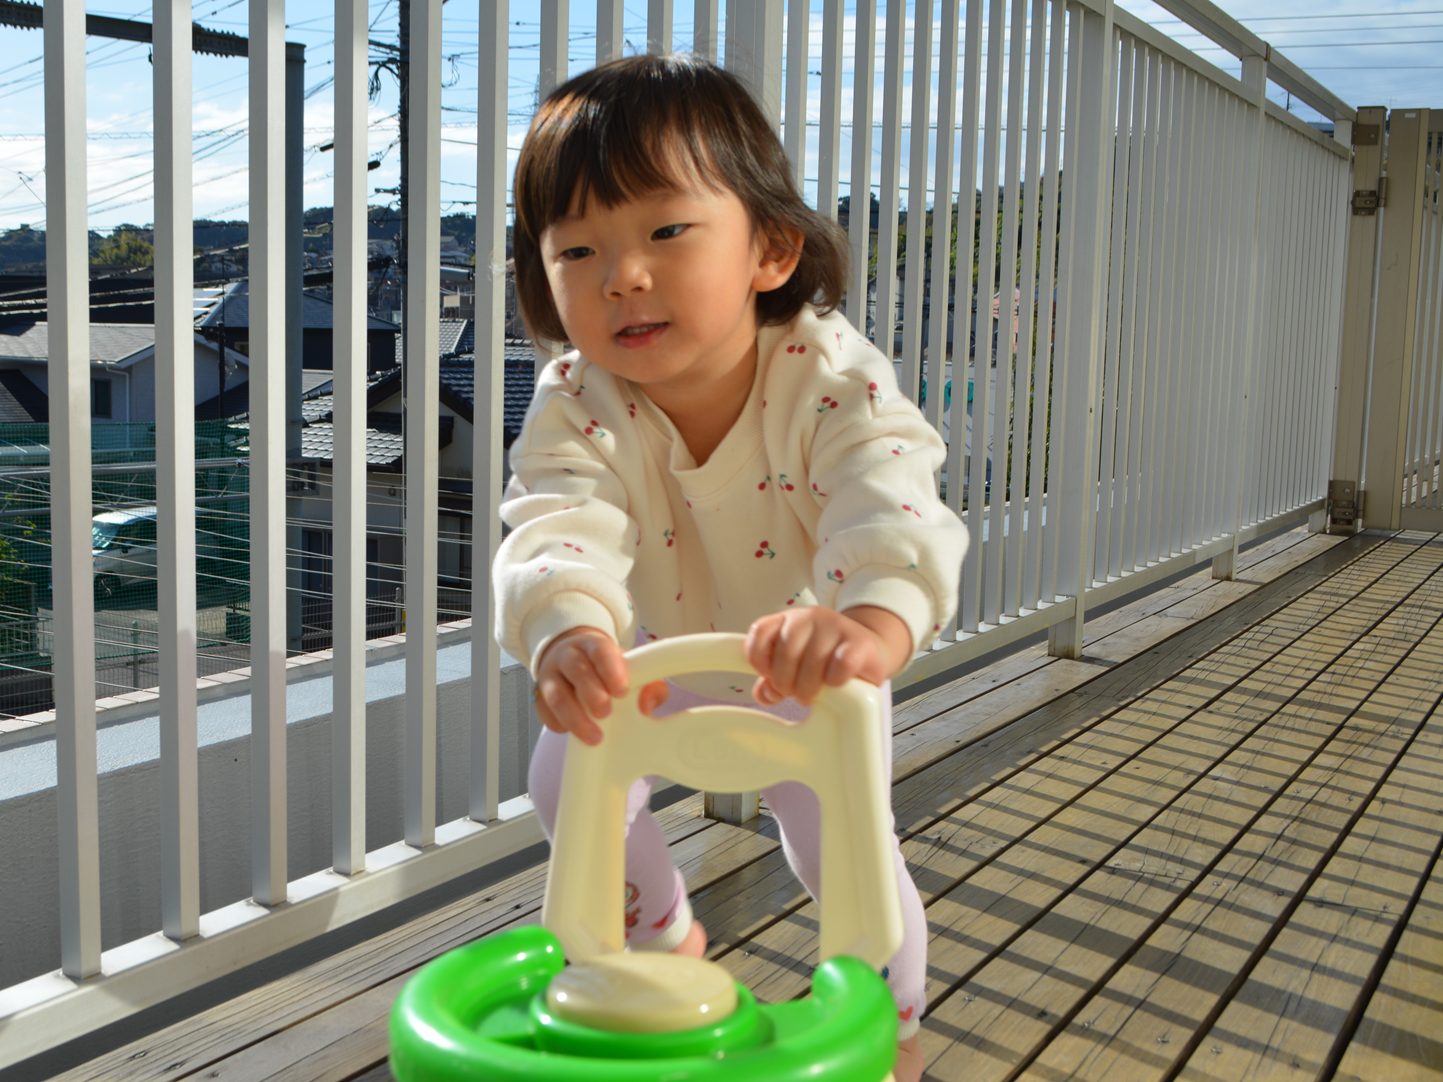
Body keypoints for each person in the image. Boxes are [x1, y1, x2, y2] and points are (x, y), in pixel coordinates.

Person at [494, 53, 967, 1080]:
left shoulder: (827, 376)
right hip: (662, 651)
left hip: (811, 658)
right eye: (578, 249)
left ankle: (891, 1031)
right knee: (565, 779)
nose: (623, 275)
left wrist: (867, 624)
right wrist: (566, 625)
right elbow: (557, 520)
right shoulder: (577, 399)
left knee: (842, 850)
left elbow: (887, 494)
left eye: (666, 231)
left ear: (771, 247)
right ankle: (660, 942)